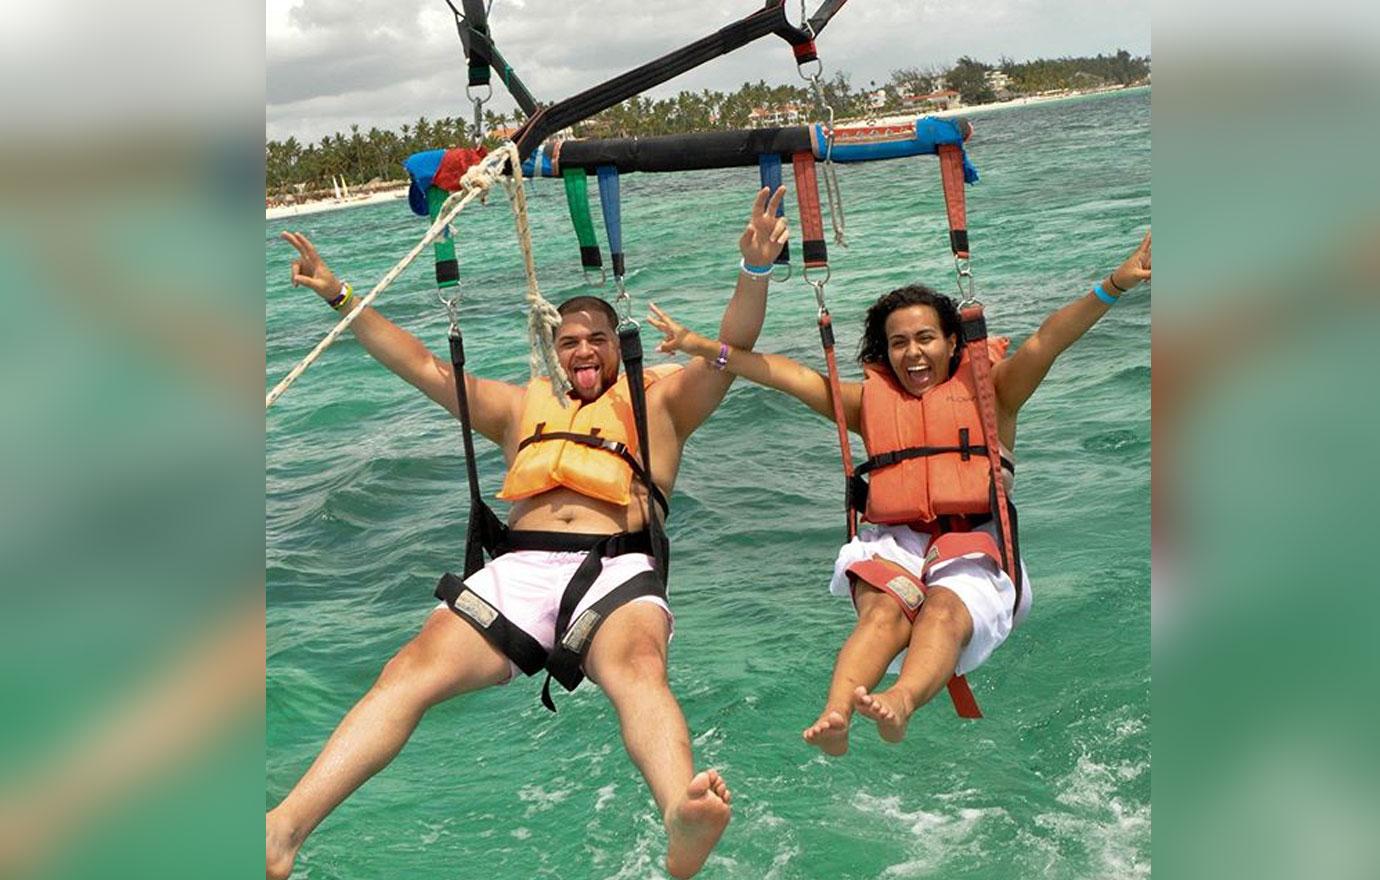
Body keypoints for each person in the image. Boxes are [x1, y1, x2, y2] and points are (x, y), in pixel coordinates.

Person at [267, 186, 791, 880]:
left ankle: (680, 816)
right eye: (567, 340)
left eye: (597, 340)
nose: (582, 350)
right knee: (406, 674)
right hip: (516, 572)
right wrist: (340, 294)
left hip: (616, 570)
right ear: (550, 348)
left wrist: (754, 271)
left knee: (637, 672)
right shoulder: (518, 408)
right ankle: (282, 831)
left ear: (617, 347)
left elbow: (734, 346)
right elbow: (420, 364)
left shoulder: (661, 402)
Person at [647, 231, 1151, 755]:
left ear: (953, 342)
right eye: (898, 342)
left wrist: (1117, 283)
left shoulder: (995, 393)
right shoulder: (867, 404)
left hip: (978, 542)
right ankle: (836, 713)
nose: (913, 352)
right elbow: (786, 376)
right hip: (895, 541)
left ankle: (901, 702)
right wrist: (700, 346)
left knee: (940, 611)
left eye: (925, 338)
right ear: (884, 352)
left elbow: (1049, 340)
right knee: (884, 613)